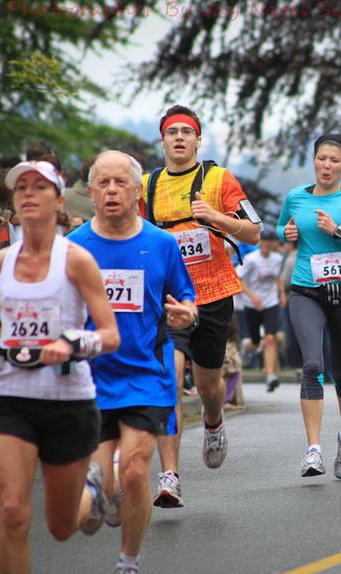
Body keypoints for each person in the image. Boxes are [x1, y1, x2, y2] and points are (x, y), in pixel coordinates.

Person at [0, 159, 120, 573]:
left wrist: (71, 343)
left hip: (68, 402)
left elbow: (109, 334)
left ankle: (91, 484)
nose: (29, 193)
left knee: (61, 526)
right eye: (22, 188)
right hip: (10, 398)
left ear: (57, 200)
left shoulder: (77, 261)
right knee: (14, 512)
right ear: (14, 202)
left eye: (40, 187)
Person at [68, 150, 197, 574]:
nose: (111, 190)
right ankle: (106, 491)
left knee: (138, 469)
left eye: (120, 182)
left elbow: (187, 297)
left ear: (137, 191)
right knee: (100, 495)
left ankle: (128, 562)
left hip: (147, 373)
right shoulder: (73, 248)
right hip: (91, 378)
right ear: (90, 192)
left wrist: (188, 313)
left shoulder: (161, 244)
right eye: (102, 183)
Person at [140, 105, 260, 507]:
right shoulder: (146, 185)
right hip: (168, 296)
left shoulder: (219, 179)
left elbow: (255, 232)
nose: (178, 138)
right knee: (169, 378)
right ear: (162, 140)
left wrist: (217, 219)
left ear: (197, 140)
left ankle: (213, 421)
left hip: (212, 291)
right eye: (171, 131)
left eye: (185, 132)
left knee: (209, 384)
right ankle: (169, 475)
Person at [277, 133, 341, 478]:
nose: (327, 165)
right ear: (314, 160)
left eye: (335, 160)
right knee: (311, 365)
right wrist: (284, 234)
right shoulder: (296, 197)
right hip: (306, 291)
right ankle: (313, 450)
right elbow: (282, 227)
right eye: (322, 158)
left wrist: (337, 233)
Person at [237, 228, 286, 391]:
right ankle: (247, 347)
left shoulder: (278, 259)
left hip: (270, 302)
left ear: (273, 243)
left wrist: (282, 292)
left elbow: (277, 276)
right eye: (263, 241)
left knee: (270, 338)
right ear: (260, 242)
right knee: (255, 341)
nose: (266, 244)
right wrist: (252, 297)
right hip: (252, 304)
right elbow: (238, 279)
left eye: (269, 241)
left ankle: (270, 375)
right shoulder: (251, 259)